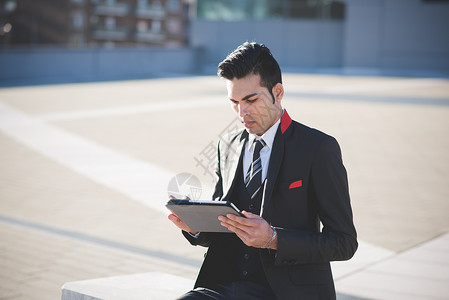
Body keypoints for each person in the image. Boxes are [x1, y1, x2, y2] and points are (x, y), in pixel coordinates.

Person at [168, 42, 357, 300]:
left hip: (287, 292)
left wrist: (274, 238)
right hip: (224, 286)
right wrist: (195, 227)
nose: (241, 112)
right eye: (234, 102)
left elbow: (344, 242)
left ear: (277, 92)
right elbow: (223, 227)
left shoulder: (318, 148)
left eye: (250, 100)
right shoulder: (227, 145)